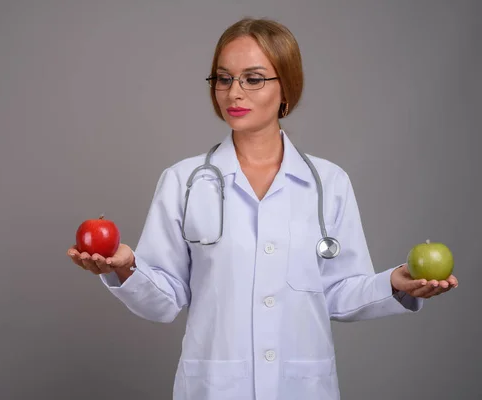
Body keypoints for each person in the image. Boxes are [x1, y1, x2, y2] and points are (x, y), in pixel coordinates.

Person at [67, 17, 458, 400]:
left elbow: (337, 292)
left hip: (303, 388)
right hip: (214, 388)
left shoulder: (328, 182)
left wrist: (395, 283)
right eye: (224, 78)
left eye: (253, 79)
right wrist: (125, 267)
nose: (234, 93)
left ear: (286, 87)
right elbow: (165, 299)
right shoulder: (183, 181)